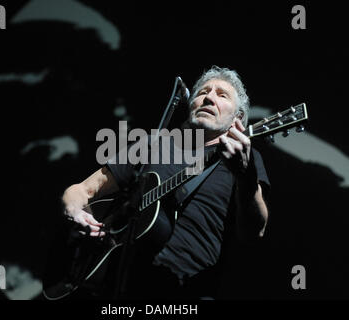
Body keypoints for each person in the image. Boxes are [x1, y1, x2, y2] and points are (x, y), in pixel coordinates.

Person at [61, 66, 270, 299]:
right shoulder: (152, 145)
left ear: (237, 119)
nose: (209, 98)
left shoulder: (245, 161)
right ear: (190, 104)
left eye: (222, 95)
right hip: (115, 286)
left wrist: (247, 178)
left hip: (186, 291)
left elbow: (254, 232)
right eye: (203, 92)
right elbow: (80, 190)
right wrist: (76, 212)